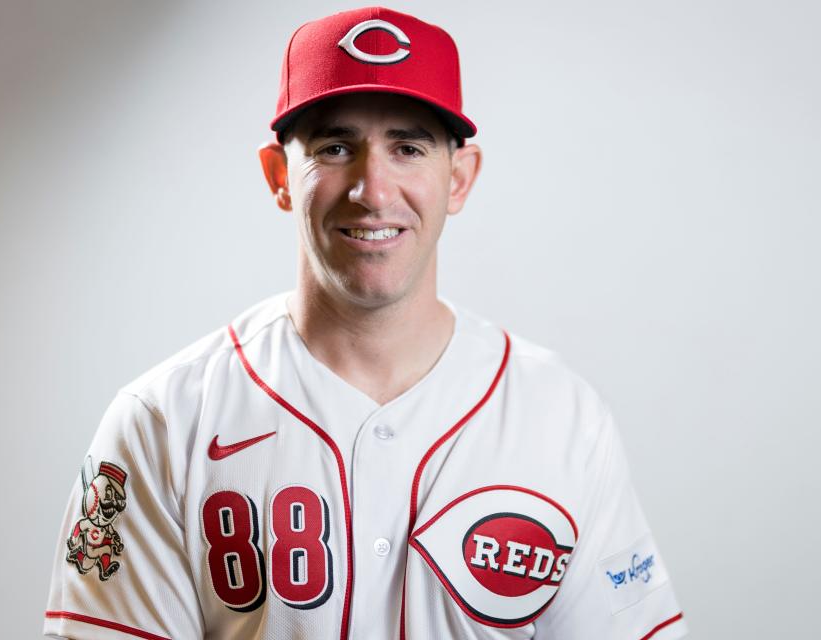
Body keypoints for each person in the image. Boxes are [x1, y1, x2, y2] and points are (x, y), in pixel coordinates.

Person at [44, 7, 688, 640]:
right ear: (279, 177)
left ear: (459, 178)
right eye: (335, 146)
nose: (373, 190)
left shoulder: (562, 417)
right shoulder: (164, 420)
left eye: (408, 147)